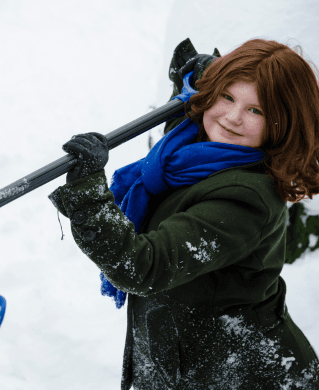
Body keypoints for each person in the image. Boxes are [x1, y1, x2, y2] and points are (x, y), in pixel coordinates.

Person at [48, 38, 319, 389]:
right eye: (227, 96)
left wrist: (88, 196)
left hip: (239, 374)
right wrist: (193, 80)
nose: (233, 117)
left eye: (257, 111)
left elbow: (143, 265)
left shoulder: (244, 200)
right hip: (185, 360)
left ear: (281, 124)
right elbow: (190, 120)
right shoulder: (195, 151)